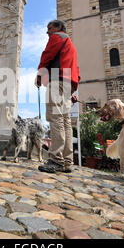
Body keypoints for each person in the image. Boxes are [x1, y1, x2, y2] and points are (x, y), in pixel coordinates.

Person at [36, 20, 80, 173]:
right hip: (68, 81)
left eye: (50, 28)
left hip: (57, 78)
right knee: (65, 121)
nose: (47, 32)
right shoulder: (70, 44)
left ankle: (56, 159)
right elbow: (76, 69)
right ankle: (68, 162)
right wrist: (72, 91)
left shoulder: (57, 37)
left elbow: (47, 55)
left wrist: (40, 74)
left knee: (56, 118)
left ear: (58, 27)